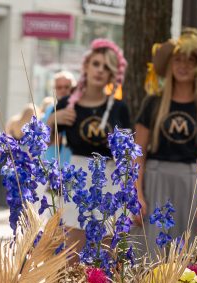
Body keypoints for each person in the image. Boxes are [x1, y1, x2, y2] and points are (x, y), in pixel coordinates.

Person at [135, 29, 197, 251]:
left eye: (190, 61)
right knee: (152, 249)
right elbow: (137, 154)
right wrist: (137, 194)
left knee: (186, 252)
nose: (184, 66)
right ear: (170, 65)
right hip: (155, 180)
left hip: (189, 182)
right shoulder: (153, 103)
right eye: (178, 60)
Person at [46, 38, 130, 251]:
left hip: (108, 177)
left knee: (106, 251)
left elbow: (128, 154)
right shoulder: (66, 104)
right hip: (77, 175)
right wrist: (52, 120)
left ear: (112, 74)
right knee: (72, 250)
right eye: (96, 64)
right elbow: (47, 144)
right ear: (86, 66)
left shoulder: (119, 109)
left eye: (106, 67)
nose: (100, 70)